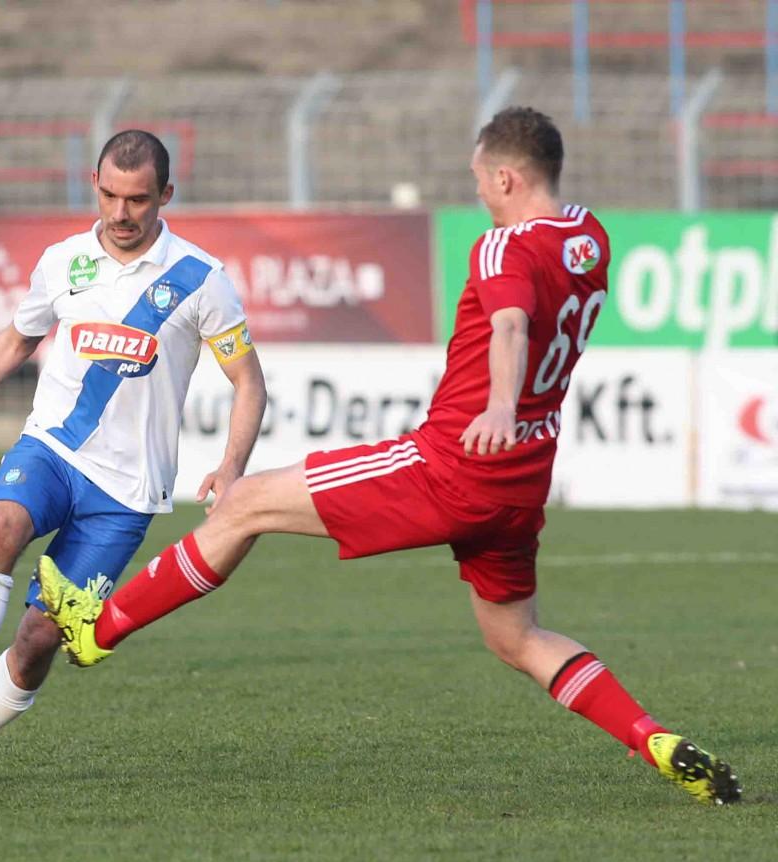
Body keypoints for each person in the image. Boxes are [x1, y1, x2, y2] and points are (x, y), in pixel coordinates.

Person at [38, 108, 742, 806]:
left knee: (244, 501)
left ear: (505, 178)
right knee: (517, 637)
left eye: (479, 177)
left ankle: (98, 630)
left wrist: (500, 404)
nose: (476, 190)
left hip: (455, 464)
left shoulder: (502, 248)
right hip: (523, 479)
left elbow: (509, 324)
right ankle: (651, 736)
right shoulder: (589, 237)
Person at [0, 130, 267, 782]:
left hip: (127, 491)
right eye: (110, 196)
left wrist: (231, 465)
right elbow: (15, 341)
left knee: (41, 636)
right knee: (1, 526)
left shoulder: (201, 280)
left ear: (166, 195)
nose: (121, 213)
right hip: (52, 448)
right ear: (93, 185)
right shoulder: (62, 261)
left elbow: (249, 382)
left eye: (138, 199)